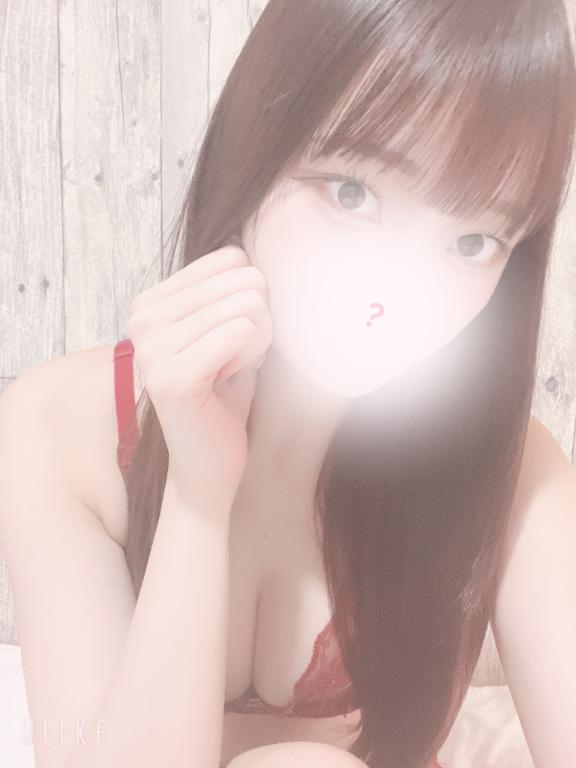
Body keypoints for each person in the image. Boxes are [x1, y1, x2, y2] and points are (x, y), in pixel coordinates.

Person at [1, 1, 576, 767]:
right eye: (352, 194)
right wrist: (198, 498)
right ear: (254, 149)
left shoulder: (512, 472)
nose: (400, 290)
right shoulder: (55, 427)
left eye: (473, 242)